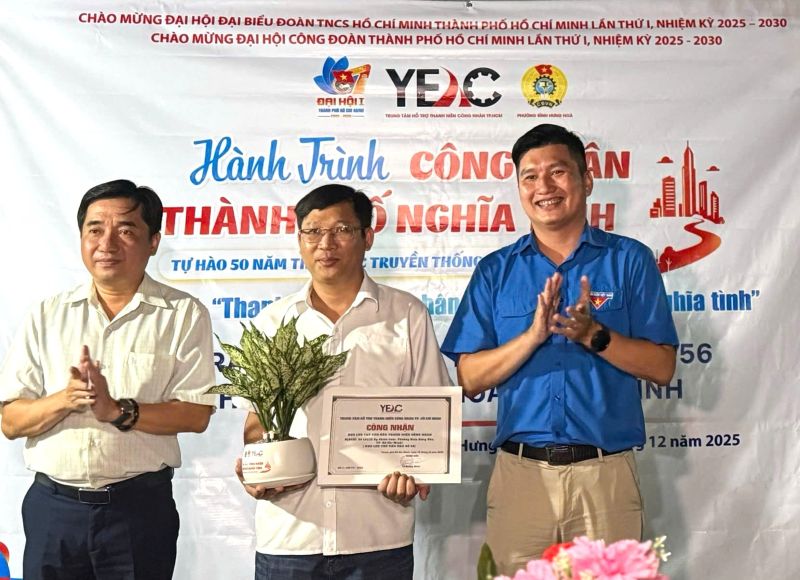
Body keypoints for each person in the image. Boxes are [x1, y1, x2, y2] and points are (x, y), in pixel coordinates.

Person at [441, 124, 678, 575]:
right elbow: (470, 378)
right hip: (521, 477)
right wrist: (531, 337)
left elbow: (663, 367)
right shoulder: (496, 270)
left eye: (557, 172)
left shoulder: (630, 260)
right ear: (518, 188)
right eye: (529, 176)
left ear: (586, 180)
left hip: (605, 476)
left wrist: (596, 337)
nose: (543, 187)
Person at [0, 179, 216, 580]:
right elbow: (11, 420)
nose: (107, 243)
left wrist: (117, 410)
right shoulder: (46, 315)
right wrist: (67, 398)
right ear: (81, 237)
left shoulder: (183, 314)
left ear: (154, 240)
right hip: (54, 511)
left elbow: (195, 414)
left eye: (126, 230)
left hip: (138, 511)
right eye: (95, 229)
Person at [237, 184, 452, 580]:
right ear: (299, 240)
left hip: (377, 536)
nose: (325, 244)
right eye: (312, 231)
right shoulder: (272, 322)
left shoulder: (406, 315)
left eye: (341, 230)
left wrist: (413, 471)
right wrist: (256, 469)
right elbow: (255, 426)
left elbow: (432, 420)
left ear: (367, 237)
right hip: (290, 537)